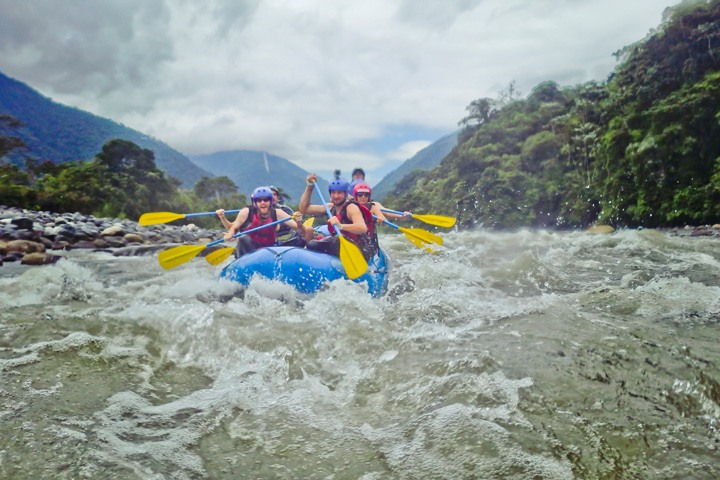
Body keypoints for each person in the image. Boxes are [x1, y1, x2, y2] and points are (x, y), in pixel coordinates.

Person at [298, 173, 378, 260]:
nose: (336, 196)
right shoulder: (330, 207)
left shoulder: (351, 208)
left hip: (359, 248)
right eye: (333, 192)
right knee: (312, 244)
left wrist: (341, 226)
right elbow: (304, 208)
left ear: (346, 194)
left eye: (339, 192)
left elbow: (362, 228)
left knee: (337, 239)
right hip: (339, 245)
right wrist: (310, 187)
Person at [216, 186, 307, 258]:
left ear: (270, 201)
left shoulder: (277, 212)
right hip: (248, 252)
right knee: (243, 238)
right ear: (255, 202)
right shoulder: (246, 212)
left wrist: (299, 223)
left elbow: (299, 229)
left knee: (300, 239)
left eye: (266, 199)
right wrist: (227, 228)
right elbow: (233, 228)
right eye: (259, 200)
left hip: (268, 250)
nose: (263, 203)